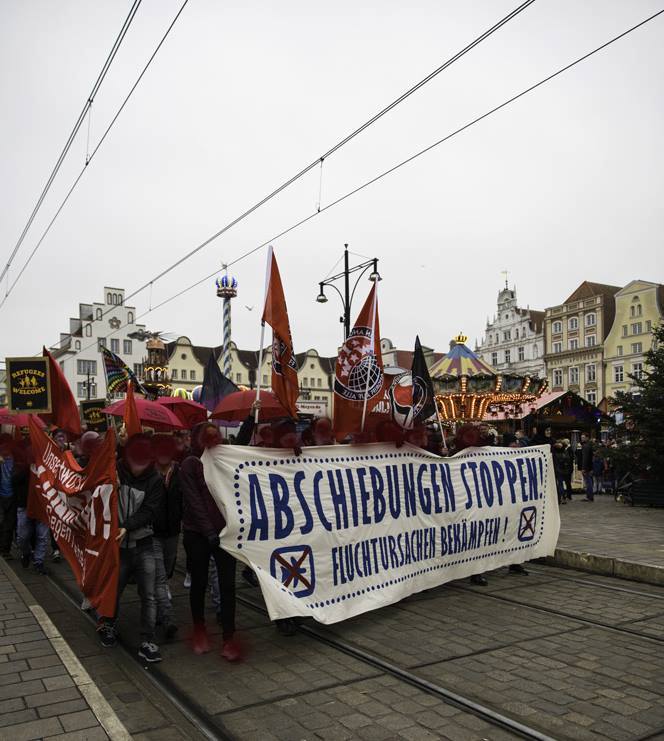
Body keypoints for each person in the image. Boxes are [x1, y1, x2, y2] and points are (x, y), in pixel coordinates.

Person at [98, 434, 163, 663]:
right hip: (119, 547)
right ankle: (107, 624)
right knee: (114, 588)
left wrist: (126, 526)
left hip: (143, 543)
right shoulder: (116, 471)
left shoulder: (155, 479)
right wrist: (109, 484)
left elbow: (150, 511)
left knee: (149, 594)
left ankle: (148, 639)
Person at [181, 422, 240, 661]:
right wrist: (209, 532)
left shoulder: (223, 461)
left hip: (224, 534)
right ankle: (200, 630)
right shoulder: (190, 464)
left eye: (216, 438)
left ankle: (229, 637)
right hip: (198, 534)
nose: (213, 442)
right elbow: (194, 503)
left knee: (228, 586)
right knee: (199, 583)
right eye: (208, 438)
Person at [152, 436, 182, 641]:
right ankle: (167, 617)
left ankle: (157, 600)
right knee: (160, 575)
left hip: (173, 531)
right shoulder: (148, 472)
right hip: (152, 532)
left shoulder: (178, 471)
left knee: (168, 568)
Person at [0, 436, 17, 559]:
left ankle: (5, 550)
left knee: (9, 524)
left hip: (13, 496)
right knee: (2, 522)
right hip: (1, 496)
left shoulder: (17, 459)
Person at [580, 433, 595, 502]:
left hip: (587, 467)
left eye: (583, 437)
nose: (582, 439)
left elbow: (585, 458)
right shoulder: (590, 445)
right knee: (589, 481)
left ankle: (589, 496)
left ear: (587, 438)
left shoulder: (585, 446)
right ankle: (590, 496)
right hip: (590, 466)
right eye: (581, 437)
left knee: (588, 482)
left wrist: (583, 468)